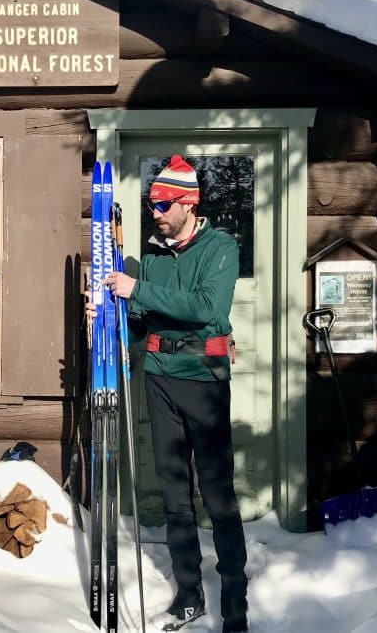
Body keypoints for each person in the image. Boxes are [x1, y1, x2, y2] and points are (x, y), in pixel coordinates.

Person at [87, 155, 249, 633]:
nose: (154, 213)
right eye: (151, 204)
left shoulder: (220, 247)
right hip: (159, 377)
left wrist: (136, 289)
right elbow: (142, 324)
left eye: (162, 205)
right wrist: (107, 313)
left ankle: (235, 602)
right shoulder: (155, 257)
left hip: (204, 380)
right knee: (175, 494)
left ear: (187, 203)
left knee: (217, 494)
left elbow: (206, 307)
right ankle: (189, 593)